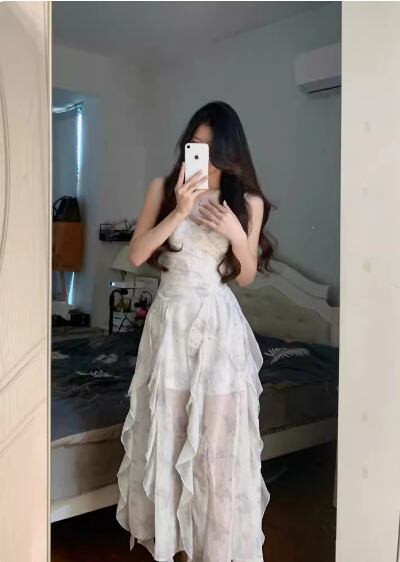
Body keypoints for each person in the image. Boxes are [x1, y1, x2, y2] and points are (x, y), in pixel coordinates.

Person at [116, 101, 274, 562]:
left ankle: (214, 548)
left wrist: (237, 234)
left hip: (218, 328)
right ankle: (175, 546)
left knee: (215, 447)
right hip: (170, 323)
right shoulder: (163, 188)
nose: (201, 154)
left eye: (211, 146)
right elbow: (137, 254)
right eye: (194, 143)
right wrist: (179, 210)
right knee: (168, 436)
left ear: (230, 150)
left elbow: (246, 276)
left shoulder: (248, 202)